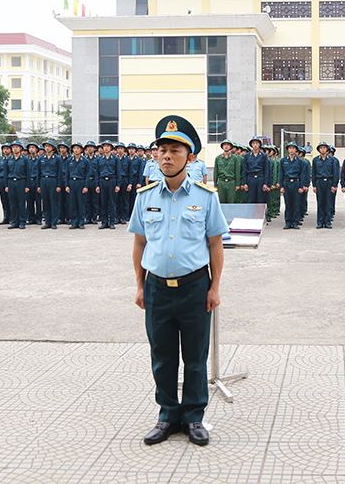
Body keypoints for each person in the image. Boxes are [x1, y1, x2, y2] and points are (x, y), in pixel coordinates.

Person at [128, 114, 229, 447]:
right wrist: (140, 286)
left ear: (190, 156)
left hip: (195, 289)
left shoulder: (206, 196)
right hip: (157, 289)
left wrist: (214, 287)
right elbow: (140, 244)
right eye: (162, 150)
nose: (167, 156)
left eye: (175, 150)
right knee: (162, 356)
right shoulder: (145, 197)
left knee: (195, 358)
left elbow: (215, 244)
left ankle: (194, 417)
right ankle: (168, 415)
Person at [279, 142, 305, 229]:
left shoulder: (300, 161)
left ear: (296, 150)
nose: (291, 150)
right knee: (288, 203)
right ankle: (288, 222)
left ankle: (295, 222)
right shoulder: (283, 160)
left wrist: (301, 186)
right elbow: (281, 174)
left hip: (296, 183)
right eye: (290, 148)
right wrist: (281, 186)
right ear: (288, 149)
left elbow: (302, 174)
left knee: (296, 203)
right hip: (286, 183)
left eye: (293, 148)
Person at [38, 141, 63, 229]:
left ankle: (54, 222)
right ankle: (47, 222)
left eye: (49, 146)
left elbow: (59, 172)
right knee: (45, 202)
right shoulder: (41, 158)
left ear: (53, 148)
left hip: (53, 180)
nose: (47, 148)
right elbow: (38, 172)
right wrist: (38, 185)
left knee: (54, 202)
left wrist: (59, 185)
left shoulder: (57, 158)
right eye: (45, 146)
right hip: (43, 180)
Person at [312, 141, 337, 229]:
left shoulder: (332, 160)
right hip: (319, 182)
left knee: (328, 203)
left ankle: (327, 222)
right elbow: (313, 173)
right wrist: (314, 185)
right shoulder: (315, 160)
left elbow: (335, 173)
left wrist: (334, 185)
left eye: (324, 148)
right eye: (321, 148)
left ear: (327, 149)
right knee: (320, 202)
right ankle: (320, 222)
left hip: (329, 182)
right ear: (319, 149)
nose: (322, 149)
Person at [5, 140, 29, 229]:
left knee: (21, 203)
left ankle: (22, 221)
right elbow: (6, 173)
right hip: (11, 182)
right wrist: (6, 185)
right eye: (13, 147)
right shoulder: (9, 159)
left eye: (17, 147)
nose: (15, 149)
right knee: (13, 203)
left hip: (21, 181)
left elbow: (28, 173)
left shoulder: (25, 159)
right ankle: (14, 221)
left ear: (20, 148)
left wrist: (27, 186)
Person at [66, 142, 90, 229]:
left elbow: (87, 174)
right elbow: (67, 174)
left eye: (78, 148)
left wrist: (86, 186)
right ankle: (74, 222)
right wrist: (67, 185)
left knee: (81, 203)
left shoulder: (85, 161)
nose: (76, 150)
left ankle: (81, 222)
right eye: (74, 148)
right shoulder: (69, 161)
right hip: (72, 182)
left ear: (81, 150)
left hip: (81, 182)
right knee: (73, 203)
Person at [241, 137, 271, 205]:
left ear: (259, 144)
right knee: (251, 200)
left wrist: (266, 183)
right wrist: (245, 183)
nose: (255, 145)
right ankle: (251, 212)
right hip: (250, 179)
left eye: (257, 143)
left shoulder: (263, 156)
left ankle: (260, 212)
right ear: (251, 144)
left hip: (261, 179)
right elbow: (244, 170)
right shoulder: (247, 156)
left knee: (261, 200)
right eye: (253, 143)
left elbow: (266, 170)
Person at [97, 140, 119, 229]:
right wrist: (97, 185)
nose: (106, 148)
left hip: (112, 181)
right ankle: (104, 222)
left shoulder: (115, 159)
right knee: (103, 203)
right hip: (102, 181)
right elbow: (97, 173)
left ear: (111, 148)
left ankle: (112, 222)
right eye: (104, 146)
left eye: (108, 146)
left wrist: (118, 185)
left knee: (112, 203)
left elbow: (118, 172)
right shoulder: (100, 159)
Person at [214, 139, 239, 204]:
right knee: (221, 201)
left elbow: (237, 171)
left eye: (228, 145)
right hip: (221, 182)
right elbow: (215, 172)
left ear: (230, 147)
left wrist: (237, 184)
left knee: (231, 201)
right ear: (222, 146)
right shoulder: (218, 158)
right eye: (224, 145)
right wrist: (215, 184)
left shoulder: (234, 158)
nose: (226, 146)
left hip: (231, 182)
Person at [25, 142, 42, 224]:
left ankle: (38, 218)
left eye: (33, 147)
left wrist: (39, 185)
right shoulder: (27, 160)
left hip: (36, 181)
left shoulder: (40, 159)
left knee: (38, 201)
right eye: (30, 148)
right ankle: (31, 218)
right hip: (29, 181)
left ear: (36, 149)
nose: (31, 149)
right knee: (29, 201)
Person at [0, 143, 12, 225]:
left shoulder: (12, 159)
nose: (5, 150)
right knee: (4, 200)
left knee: (12, 200)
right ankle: (6, 217)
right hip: (2, 180)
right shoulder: (0, 160)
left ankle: (13, 217)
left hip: (10, 180)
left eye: (7, 148)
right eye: (4, 149)